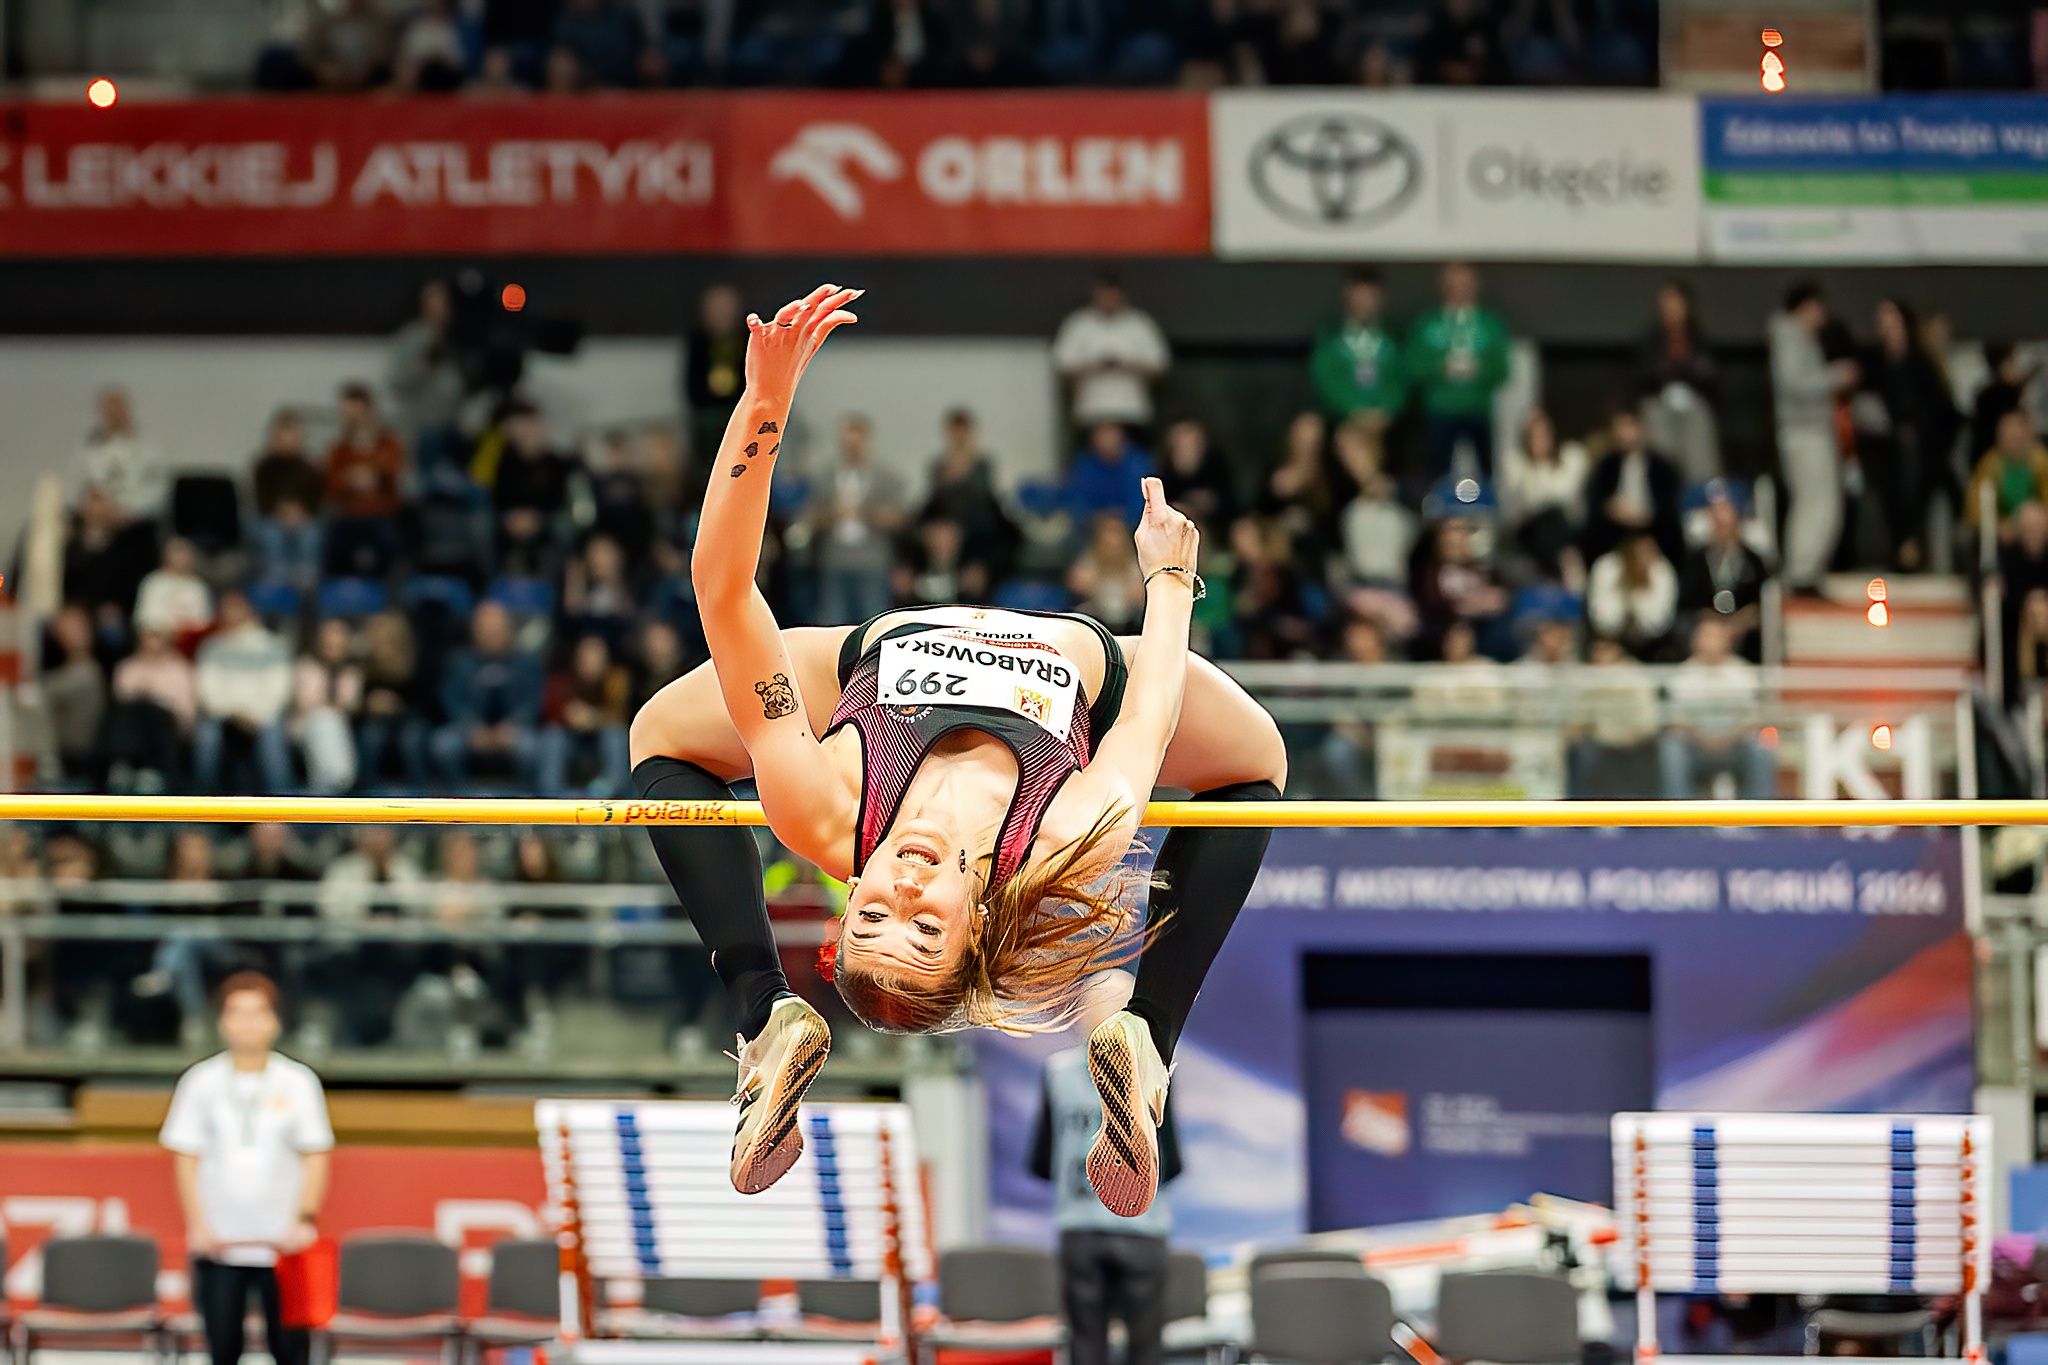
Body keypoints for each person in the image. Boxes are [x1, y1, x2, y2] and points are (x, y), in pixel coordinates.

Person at [629, 285, 1284, 1215]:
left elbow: (724, 590)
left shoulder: (824, 806)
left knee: (658, 734)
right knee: (1257, 767)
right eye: (925, 927)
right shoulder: (1062, 837)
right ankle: (1150, 1033)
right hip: (1089, 668)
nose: (897, 896)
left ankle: (763, 1010)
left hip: (867, 661)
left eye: (871, 920)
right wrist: (1172, 580)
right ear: (976, 925)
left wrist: (762, 403)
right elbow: (1146, 717)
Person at [160, 972, 333, 1365]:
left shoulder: (297, 1082)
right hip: (220, 1243)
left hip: (283, 1246)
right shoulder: (200, 1081)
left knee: (290, 1351)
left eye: (258, 1013)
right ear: (221, 1020)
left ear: (275, 1021)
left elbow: (316, 1154)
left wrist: (304, 1219)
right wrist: (198, 1225)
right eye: (236, 1013)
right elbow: (186, 1158)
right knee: (222, 1349)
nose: (247, 1023)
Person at [1029, 1034, 1184, 1365]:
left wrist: (1087, 1179)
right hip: (1142, 1229)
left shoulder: (1058, 1071)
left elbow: (1042, 1161)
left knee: (1086, 1346)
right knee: (1145, 1348)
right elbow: (1171, 1160)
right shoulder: (1153, 1070)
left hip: (1080, 1227)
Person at [1860, 298, 1959, 570]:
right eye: (1882, 322)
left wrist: (1915, 430)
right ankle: (1899, 552)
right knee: (1889, 505)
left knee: (1920, 505)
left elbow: (1942, 411)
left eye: (1892, 321)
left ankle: (1916, 553)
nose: (1886, 328)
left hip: (1922, 454)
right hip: (1886, 453)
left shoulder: (1920, 363)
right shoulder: (1874, 362)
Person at [1770, 282, 1855, 592]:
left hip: (1814, 431)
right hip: (1803, 432)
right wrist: (1836, 376)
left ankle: (1809, 570)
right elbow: (1795, 383)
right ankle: (1800, 572)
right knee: (1813, 503)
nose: (1822, 316)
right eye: (1819, 308)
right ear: (1805, 306)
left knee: (1824, 503)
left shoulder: (1803, 338)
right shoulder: (1788, 336)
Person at [1407, 262, 1510, 480]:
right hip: (1440, 411)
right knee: (1438, 474)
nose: (1461, 289)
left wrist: (1479, 370)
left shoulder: (1490, 324)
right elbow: (1413, 367)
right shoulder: (1427, 323)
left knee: (1482, 474)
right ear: (1444, 286)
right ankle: (1440, 512)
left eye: (1466, 284)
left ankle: (1482, 511)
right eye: (1455, 284)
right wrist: (1440, 368)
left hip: (1477, 411)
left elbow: (1502, 369)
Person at [806, 414, 908, 625]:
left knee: (873, 621)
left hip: (872, 560)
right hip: (835, 560)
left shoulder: (885, 476)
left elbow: (899, 517)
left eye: (856, 443)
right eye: (847, 443)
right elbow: (811, 517)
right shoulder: (825, 476)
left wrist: (865, 511)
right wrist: (834, 513)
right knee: (833, 621)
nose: (851, 449)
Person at [430, 601, 543, 786]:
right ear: (474, 631)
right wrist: (472, 728)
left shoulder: (526, 662)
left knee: (532, 748)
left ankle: (522, 798)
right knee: (442, 745)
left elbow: (532, 702)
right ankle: (463, 797)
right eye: (484, 630)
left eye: (496, 630)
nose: (490, 635)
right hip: (470, 731)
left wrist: (511, 727)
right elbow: (451, 700)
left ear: (508, 630)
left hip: (514, 731)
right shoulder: (459, 662)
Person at [194, 591, 296, 795]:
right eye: (225, 609)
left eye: (236, 608)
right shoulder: (212, 647)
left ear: (248, 610)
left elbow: (279, 690)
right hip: (224, 718)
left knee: (273, 735)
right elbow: (207, 691)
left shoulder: (272, 645)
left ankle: (283, 813)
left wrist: (256, 716)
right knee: (206, 735)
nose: (230, 614)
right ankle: (201, 811)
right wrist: (233, 714)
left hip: (262, 718)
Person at [1659, 616, 1772, 799]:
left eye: (1716, 635)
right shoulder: (1682, 676)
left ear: (1727, 640)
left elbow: (1755, 718)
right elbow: (1675, 721)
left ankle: (1761, 817)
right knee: (1672, 746)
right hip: (1696, 747)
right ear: (1695, 640)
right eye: (1706, 635)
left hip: (1735, 745)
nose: (1711, 641)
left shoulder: (1744, 674)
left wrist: (1729, 738)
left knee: (1761, 745)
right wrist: (1703, 739)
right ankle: (1678, 817)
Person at [1051, 274, 1171, 434]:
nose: (1108, 302)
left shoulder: (1140, 324)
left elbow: (1160, 365)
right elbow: (1061, 365)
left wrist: (1126, 365)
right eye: (1104, 297)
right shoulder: (1078, 324)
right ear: (1095, 295)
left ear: (1122, 296)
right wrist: (1097, 365)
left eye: (1113, 298)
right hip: (1091, 411)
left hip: (1132, 411)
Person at [1638, 281, 1721, 485]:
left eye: (1675, 304)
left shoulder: (1698, 336)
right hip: (1659, 405)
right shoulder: (1651, 339)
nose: (1671, 310)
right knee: (1661, 451)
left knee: (1700, 439)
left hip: (1694, 406)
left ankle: (1699, 499)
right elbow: (1643, 377)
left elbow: (1710, 375)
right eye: (1666, 305)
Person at [1583, 407, 1684, 568]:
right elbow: (1595, 498)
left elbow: (1669, 503)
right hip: (1616, 531)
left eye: (1626, 427)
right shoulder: (1607, 465)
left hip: (1653, 530)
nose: (1621, 434)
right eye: (1618, 428)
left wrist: (1646, 513)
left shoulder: (1661, 466)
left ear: (1639, 428)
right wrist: (1610, 507)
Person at [1679, 483, 1770, 662]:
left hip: (1744, 633)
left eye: (1726, 513)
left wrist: (1741, 622)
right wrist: (1711, 621)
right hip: (1705, 629)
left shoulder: (1753, 560)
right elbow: (1687, 600)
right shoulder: (1696, 559)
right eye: (1716, 514)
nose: (1721, 521)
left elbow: (1762, 601)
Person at [323, 382, 406, 577]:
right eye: (348, 412)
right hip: (348, 516)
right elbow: (330, 487)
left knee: (389, 540)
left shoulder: (388, 443)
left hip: (381, 515)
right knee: (333, 543)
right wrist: (348, 479)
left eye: (356, 411)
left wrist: (373, 473)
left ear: (368, 410)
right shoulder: (339, 450)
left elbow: (395, 479)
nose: (353, 417)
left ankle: (389, 596)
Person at [386, 280, 466, 474]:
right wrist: (426, 363)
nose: (440, 307)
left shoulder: (460, 335)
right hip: (424, 427)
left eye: (444, 301)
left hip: (459, 425)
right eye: (434, 301)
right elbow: (398, 382)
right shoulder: (411, 337)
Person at [1309, 268, 1405, 427]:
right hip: (1340, 419)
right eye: (1359, 295)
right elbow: (1324, 380)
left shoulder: (1394, 339)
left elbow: (1402, 382)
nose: (1364, 302)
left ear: (1381, 298)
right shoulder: (1330, 338)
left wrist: (1384, 411)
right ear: (1347, 295)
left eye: (1370, 296)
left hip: (1385, 422)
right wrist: (1352, 411)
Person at [251, 412, 326, 588]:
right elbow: (262, 500)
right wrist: (282, 511)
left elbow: (317, 499)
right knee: (272, 534)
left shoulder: (310, 466)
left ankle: (306, 584)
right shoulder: (264, 467)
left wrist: (301, 512)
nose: (287, 441)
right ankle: (277, 583)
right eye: (282, 436)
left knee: (311, 534)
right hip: (271, 517)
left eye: (292, 435)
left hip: (304, 517)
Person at [78, 384, 166, 519]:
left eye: (118, 407)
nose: (114, 413)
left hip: (135, 522)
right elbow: (76, 489)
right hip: (96, 522)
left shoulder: (146, 450)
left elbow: (157, 491)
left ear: (126, 410)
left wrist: (128, 511)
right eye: (109, 408)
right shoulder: (87, 451)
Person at [1587, 532, 1678, 660]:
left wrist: (1638, 596)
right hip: (1612, 639)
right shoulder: (1607, 567)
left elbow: (1659, 623)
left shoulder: (1661, 569)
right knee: (1602, 649)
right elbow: (1601, 620)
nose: (1644, 557)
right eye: (1639, 551)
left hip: (1651, 644)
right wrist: (1625, 588)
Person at [1966, 408, 2048, 536]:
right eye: (2007, 429)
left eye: (2017, 429)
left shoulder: (2041, 461)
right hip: (2001, 531)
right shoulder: (1989, 463)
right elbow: (1976, 508)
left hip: (2037, 528)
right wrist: (1999, 526)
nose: (2013, 435)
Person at [1063, 422, 1156, 528]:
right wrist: (1100, 519)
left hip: (1133, 528)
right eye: (1100, 433)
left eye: (1110, 432)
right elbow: (1077, 506)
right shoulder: (1083, 465)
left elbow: (1142, 505)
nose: (1106, 438)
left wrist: (1118, 518)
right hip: (1093, 530)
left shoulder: (1139, 463)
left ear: (1121, 434)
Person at [134, 537, 214, 640]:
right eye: (177, 553)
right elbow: (144, 619)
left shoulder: (199, 587)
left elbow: (203, 622)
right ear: (166, 556)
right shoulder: (153, 582)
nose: (181, 558)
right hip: (157, 640)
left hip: (189, 642)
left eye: (184, 553)